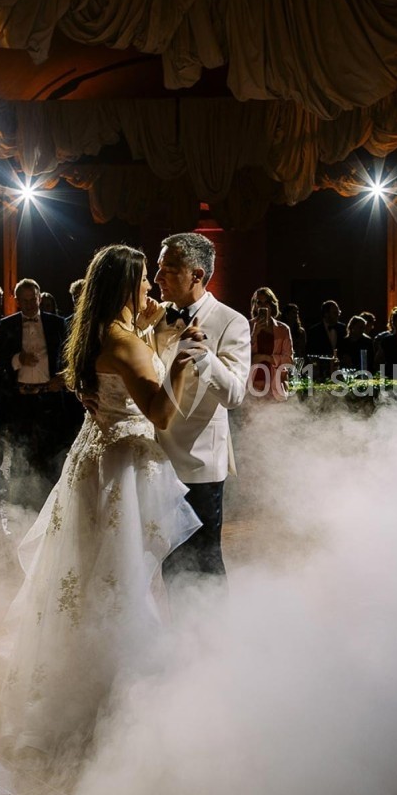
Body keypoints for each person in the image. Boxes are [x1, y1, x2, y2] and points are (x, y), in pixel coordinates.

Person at [1, 245, 204, 757]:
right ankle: (118, 699)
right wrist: (181, 359)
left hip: (95, 456)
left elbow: (106, 380)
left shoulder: (99, 332)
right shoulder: (123, 341)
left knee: (92, 574)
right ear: (125, 286)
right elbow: (160, 413)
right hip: (124, 468)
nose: (151, 287)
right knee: (123, 580)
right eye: (144, 279)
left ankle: (83, 683)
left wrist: (152, 330)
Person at [144, 232, 252, 586]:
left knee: (204, 564)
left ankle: (213, 622)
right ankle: (181, 624)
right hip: (153, 458)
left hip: (199, 462)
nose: (157, 277)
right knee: (169, 562)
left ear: (197, 275)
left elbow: (234, 395)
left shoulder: (231, 321)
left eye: (168, 269)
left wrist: (203, 356)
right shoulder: (154, 317)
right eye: (158, 268)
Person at [0, 278, 68, 503]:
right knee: (22, 449)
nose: (29, 304)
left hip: (51, 397)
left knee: (51, 450)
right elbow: (0, 361)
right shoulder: (7, 324)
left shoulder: (57, 323)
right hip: (21, 398)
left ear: (40, 297)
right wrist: (19, 359)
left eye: (32, 299)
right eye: (24, 300)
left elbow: (69, 356)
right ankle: (21, 500)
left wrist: (63, 378)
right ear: (17, 301)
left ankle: (52, 500)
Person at [247, 287, 294, 401]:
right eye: (259, 302)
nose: (263, 306)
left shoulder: (283, 329)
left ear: (272, 305)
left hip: (275, 386)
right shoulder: (247, 326)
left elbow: (288, 360)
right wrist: (254, 335)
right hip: (251, 385)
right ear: (255, 306)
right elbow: (240, 356)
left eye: (266, 302)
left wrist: (266, 357)